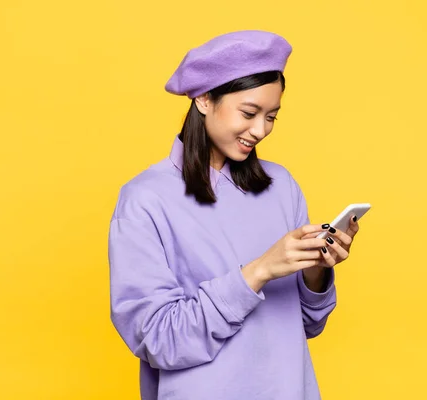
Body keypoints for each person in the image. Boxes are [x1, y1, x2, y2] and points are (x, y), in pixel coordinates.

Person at [108, 30, 361, 400]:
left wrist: (316, 269)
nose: (260, 130)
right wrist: (259, 271)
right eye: (249, 113)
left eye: (271, 116)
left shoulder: (281, 185)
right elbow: (158, 339)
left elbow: (305, 325)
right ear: (205, 99)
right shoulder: (145, 199)